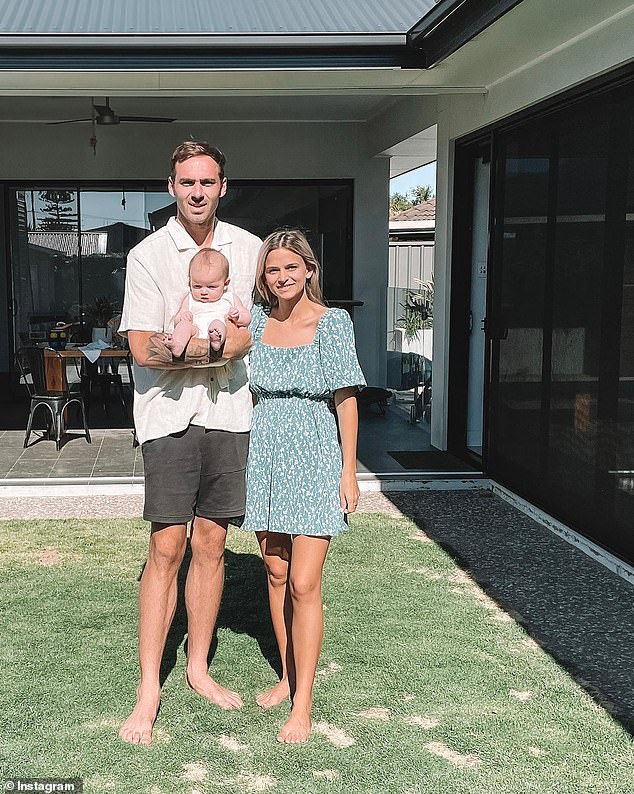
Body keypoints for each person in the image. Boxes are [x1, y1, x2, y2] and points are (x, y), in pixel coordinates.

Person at [117, 140, 261, 745]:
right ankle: (150, 686)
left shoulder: (250, 250)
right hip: (167, 418)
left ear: (223, 186)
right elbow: (142, 348)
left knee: (211, 541)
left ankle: (198, 668)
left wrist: (195, 352)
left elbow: (257, 334)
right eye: (186, 182)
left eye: (207, 181)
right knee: (167, 545)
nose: (197, 191)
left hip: (230, 415)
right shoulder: (148, 255)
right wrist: (215, 351)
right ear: (171, 187)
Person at [242, 229, 366, 744]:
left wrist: (349, 470)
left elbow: (346, 401)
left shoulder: (333, 323)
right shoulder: (253, 321)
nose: (282, 276)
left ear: (309, 270)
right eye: (273, 270)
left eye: (291, 267)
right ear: (264, 277)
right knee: (274, 572)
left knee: (304, 582)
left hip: (315, 457)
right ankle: (288, 675)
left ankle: (304, 703)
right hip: (267, 456)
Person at [164, 248, 251, 359]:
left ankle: (216, 340)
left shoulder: (229, 298)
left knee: (218, 324)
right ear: (190, 281)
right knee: (184, 326)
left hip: (221, 328)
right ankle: (177, 345)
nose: (204, 292)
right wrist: (183, 317)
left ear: (225, 283)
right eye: (197, 286)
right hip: (195, 332)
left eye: (211, 287)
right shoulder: (190, 298)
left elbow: (247, 317)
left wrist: (237, 316)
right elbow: (177, 320)